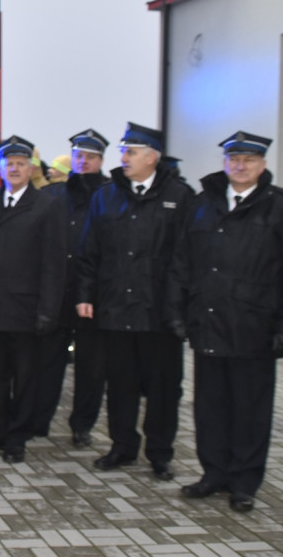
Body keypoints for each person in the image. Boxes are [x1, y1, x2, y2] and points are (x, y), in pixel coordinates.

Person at [167, 132, 283, 513]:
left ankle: (244, 481)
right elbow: (181, 265)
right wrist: (178, 312)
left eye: (249, 160)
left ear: (262, 165)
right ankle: (214, 473)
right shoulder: (203, 205)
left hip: (256, 329)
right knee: (210, 407)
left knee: (250, 410)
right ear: (225, 162)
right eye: (234, 159)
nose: (240, 165)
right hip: (209, 325)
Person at [77, 122, 193, 482]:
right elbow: (89, 251)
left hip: (160, 313)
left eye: (131, 151)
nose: (123, 157)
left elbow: (187, 258)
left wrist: (180, 307)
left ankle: (160, 453)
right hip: (114, 308)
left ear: (152, 157)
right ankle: (122, 446)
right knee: (121, 383)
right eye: (124, 151)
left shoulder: (181, 196)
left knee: (162, 388)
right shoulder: (106, 195)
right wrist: (85, 295)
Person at [0, 135, 66, 463]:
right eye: (8, 163)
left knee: (25, 378)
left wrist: (48, 310)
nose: (13, 168)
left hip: (27, 310)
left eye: (20, 164)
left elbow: (54, 263)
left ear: (31, 168)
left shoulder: (46, 205)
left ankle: (17, 438)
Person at [32, 128, 110, 447]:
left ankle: (82, 425)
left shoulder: (109, 195)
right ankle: (39, 421)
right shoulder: (53, 195)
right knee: (47, 362)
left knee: (92, 368)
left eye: (90, 157)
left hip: (94, 296)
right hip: (58, 293)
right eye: (78, 156)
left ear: (101, 160)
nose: (83, 162)